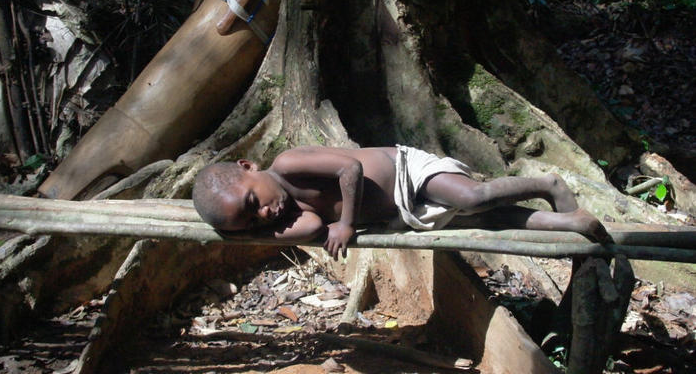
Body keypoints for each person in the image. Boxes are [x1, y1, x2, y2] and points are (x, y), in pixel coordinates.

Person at [191, 145, 608, 259]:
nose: (265, 213)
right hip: (405, 212)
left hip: (407, 169)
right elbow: (316, 229)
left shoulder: (288, 164)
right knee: (494, 221)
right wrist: (260, 232)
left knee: (474, 198)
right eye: (251, 221)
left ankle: (548, 184)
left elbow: (350, 170)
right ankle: (572, 224)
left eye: (253, 200)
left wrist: (348, 222)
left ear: (250, 165)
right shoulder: (291, 214)